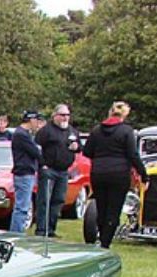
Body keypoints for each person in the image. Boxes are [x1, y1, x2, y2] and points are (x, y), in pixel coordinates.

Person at [83, 101, 148, 249]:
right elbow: (133, 154)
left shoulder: (96, 130)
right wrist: (143, 174)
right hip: (119, 173)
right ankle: (105, 242)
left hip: (98, 172)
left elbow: (87, 151)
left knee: (101, 205)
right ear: (124, 115)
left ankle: (100, 233)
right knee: (114, 208)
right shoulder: (126, 131)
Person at [33, 104, 81, 237]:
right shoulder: (46, 131)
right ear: (55, 116)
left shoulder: (72, 131)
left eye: (67, 115)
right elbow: (36, 149)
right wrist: (42, 165)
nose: (65, 118)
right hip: (49, 170)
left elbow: (79, 148)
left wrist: (76, 147)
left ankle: (51, 229)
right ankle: (41, 229)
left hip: (64, 171)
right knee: (44, 200)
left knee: (59, 200)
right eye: (62, 115)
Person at [9, 111, 45, 232]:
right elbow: (35, 152)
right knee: (22, 207)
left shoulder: (23, 134)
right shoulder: (21, 135)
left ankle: (17, 232)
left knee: (22, 206)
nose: (37, 124)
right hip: (24, 174)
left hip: (25, 173)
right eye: (37, 121)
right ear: (31, 120)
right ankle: (16, 233)